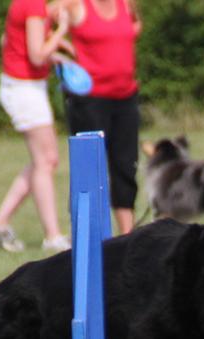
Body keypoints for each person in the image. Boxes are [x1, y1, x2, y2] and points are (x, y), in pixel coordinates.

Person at [0, 0, 73, 253]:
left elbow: (8, 41)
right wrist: (61, 30)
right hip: (24, 88)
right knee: (47, 160)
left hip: (25, 86)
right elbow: (36, 55)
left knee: (42, 161)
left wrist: (54, 46)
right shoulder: (32, 4)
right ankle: (52, 236)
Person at [63, 0, 141, 234]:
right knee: (90, 166)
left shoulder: (126, 5)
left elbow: (134, 29)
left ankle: (127, 235)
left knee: (126, 165)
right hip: (90, 99)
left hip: (125, 96)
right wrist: (62, 51)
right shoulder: (77, 6)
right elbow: (35, 20)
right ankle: (86, 233)